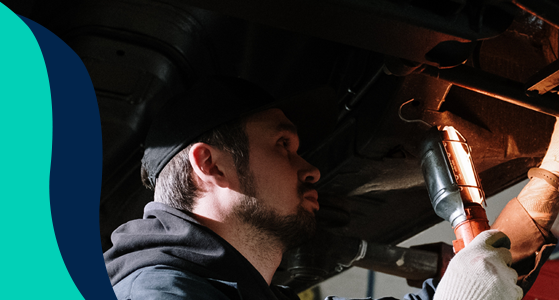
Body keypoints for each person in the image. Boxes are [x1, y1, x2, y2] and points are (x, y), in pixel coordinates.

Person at [102, 77, 531, 300]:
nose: (312, 171)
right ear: (209, 163)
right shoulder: (156, 294)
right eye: (283, 145)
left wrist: (550, 184)